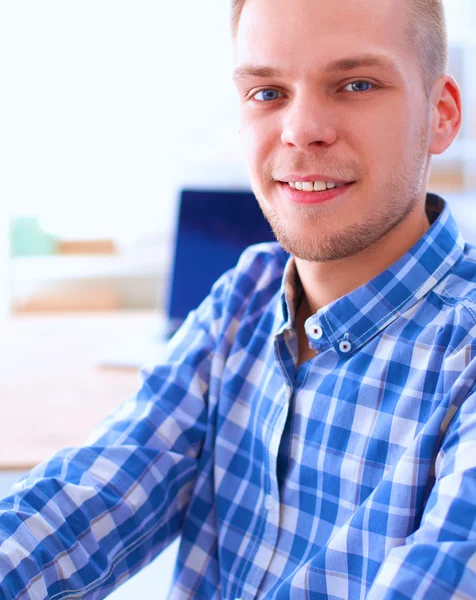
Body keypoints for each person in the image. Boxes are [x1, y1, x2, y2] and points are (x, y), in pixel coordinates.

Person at [1, 0, 474, 598]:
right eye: (267, 92)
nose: (301, 130)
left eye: (357, 84)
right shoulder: (247, 296)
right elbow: (87, 500)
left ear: (441, 114)